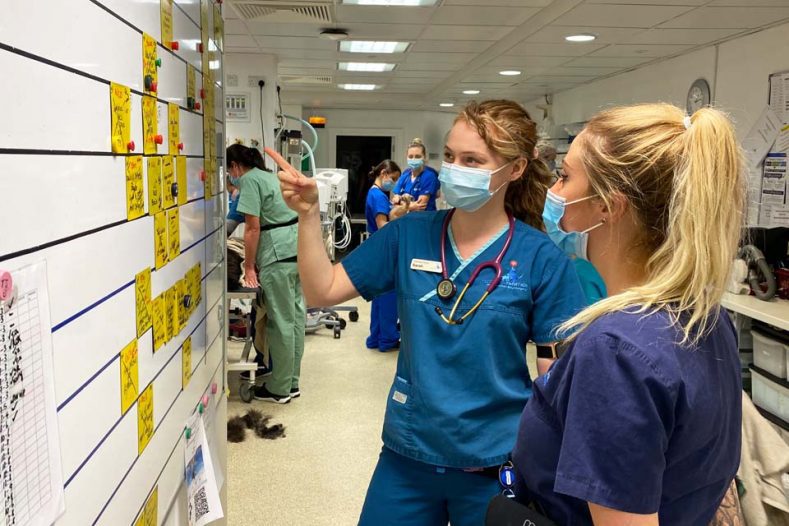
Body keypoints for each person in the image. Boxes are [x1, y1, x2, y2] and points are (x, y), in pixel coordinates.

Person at [267, 99, 586, 526]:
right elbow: (322, 290)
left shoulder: (540, 258)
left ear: (515, 169)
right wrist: (307, 214)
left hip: (493, 465)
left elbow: (556, 381)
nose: (454, 169)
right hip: (408, 458)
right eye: (450, 157)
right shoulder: (408, 235)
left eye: (472, 160)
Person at [512, 104, 745, 525]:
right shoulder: (706, 318)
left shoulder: (617, 349)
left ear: (608, 206)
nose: (553, 191)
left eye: (564, 176)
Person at [229, 144, 305, 404]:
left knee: (280, 321)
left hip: (276, 253)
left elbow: (252, 228)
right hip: (296, 249)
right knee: (294, 318)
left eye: (229, 170)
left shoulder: (249, 180)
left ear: (235, 166)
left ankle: (279, 389)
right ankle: (291, 382)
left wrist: (249, 267)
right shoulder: (270, 176)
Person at [364, 160, 405, 352]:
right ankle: (388, 339)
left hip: (376, 249)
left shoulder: (375, 193)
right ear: (384, 173)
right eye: (393, 179)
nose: (394, 183)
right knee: (389, 295)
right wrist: (400, 219)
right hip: (384, 249)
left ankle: (376, 337)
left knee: (379, 296)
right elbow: (383, 226)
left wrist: (396, 205)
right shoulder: (378, 197)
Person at [391, 138, 440, 212]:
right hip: (406, 219)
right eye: (410, 156)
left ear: (424, 157)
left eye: (417, 156)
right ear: (406, 157)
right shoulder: (405, 175)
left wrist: (401, 203)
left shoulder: (429, 176)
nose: (413, 159)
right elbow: (394, 201)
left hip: (424, 220)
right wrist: (409, 206)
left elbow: (420, 206)